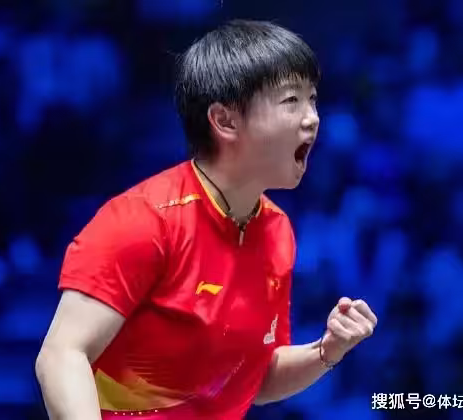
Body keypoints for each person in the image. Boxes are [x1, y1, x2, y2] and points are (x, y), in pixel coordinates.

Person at [35, 19, 377, 420]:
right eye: (292, 101)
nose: (312, 118)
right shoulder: (143, 221)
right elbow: (62, 355)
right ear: (225, 121)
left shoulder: (277, 230)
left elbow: (255, 379)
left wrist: (326, 350)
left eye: (313, 100)